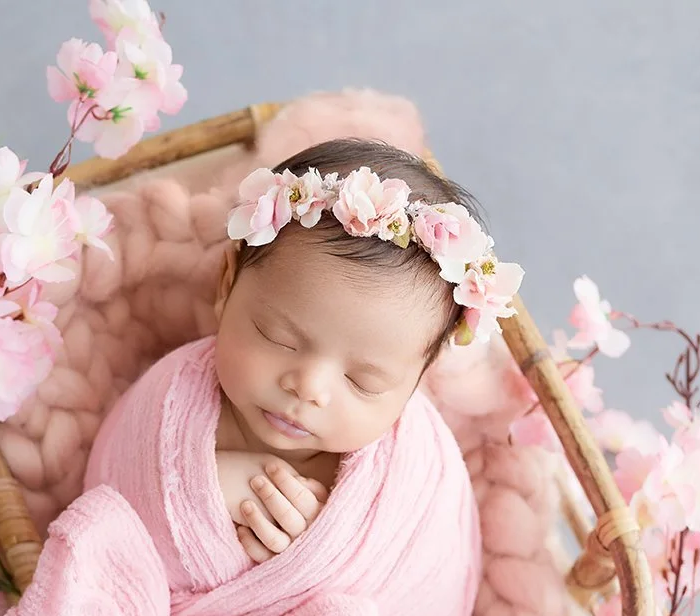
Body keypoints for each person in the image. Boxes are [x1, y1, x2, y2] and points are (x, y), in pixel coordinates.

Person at [210, 137, 519, 563]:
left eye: (363, 381)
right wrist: (199, 488)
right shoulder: (179, 401)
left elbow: (423, 579)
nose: (309, 388)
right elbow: (119, 485)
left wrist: (319, 558)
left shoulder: (410, 478)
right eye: (278, 337)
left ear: (418, 379)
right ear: (226, 285)